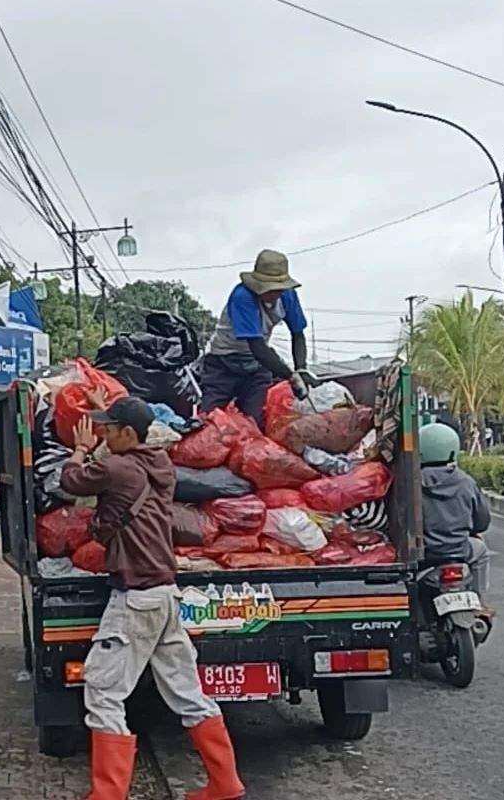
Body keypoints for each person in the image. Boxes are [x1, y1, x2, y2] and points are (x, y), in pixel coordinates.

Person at [60, 396, 245, 800]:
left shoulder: (117, 467)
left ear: (129, 434)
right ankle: (225, 784)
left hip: (136, 599)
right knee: (186, 691)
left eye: (110, 429)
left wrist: (79, 450)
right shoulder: (159, 463)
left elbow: (70, 482)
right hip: (165, 595)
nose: (103, 434)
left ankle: (107, 795)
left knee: (104, 691)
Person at [198, 248, 315, 427]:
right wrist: (290, 376)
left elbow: (298, 334)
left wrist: (301, 368)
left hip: (256, 367)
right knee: (209, 420)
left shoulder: (288, 297)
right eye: (267, 289)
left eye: (277, 290)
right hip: (223, 362)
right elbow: (258, 347)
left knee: (256, 420)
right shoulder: (242, 297)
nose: (272, 294)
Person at [418, 423, 492, 609]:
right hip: (459, 550)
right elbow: (481, 522)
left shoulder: (411, 482)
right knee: (481, 550)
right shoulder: (465, 481)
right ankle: (479, 602)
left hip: (423, 554)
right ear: (453, 451)